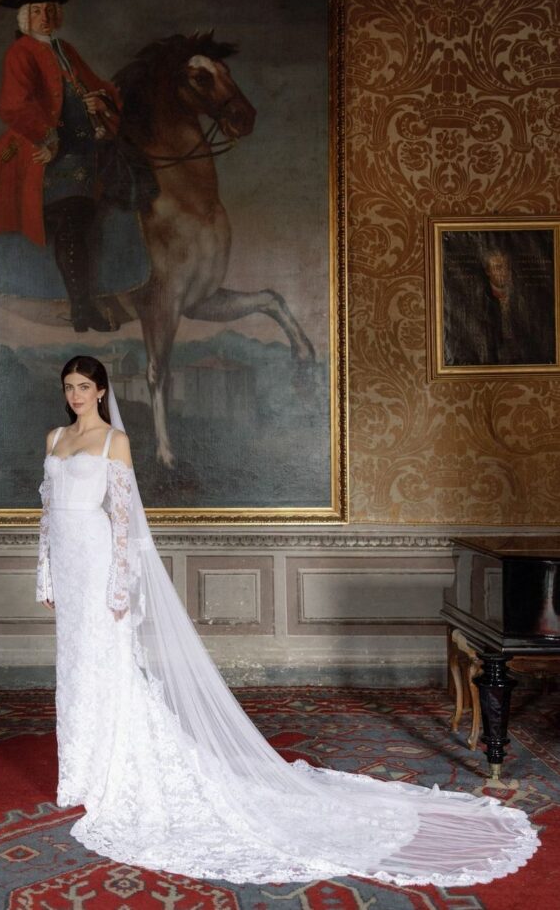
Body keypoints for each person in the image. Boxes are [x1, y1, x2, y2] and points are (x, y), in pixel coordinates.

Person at [36, 355, 540, 885]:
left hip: (99, 564)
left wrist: (119, 584)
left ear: (101, 391)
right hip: (68, 568)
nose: (75, 395)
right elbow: (49, 515)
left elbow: (122, 523)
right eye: (69, 386)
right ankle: (81, 772)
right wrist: (44, 574)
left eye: (84, 386)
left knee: (107, 666)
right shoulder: (54, 438)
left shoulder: (115, 442)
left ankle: (111, 769)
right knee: (74, 670)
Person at [0, 0, 121, 332]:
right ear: (24, 18)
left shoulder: (66, 49)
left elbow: (99, 86)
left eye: (49, 10)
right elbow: (13, 106)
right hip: (43, 150)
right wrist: (50, 138)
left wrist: (100, 101)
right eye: (36, 11)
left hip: (85, 146)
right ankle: (81, 309)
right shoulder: (21, 52)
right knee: (74, 216)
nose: (45, 17)